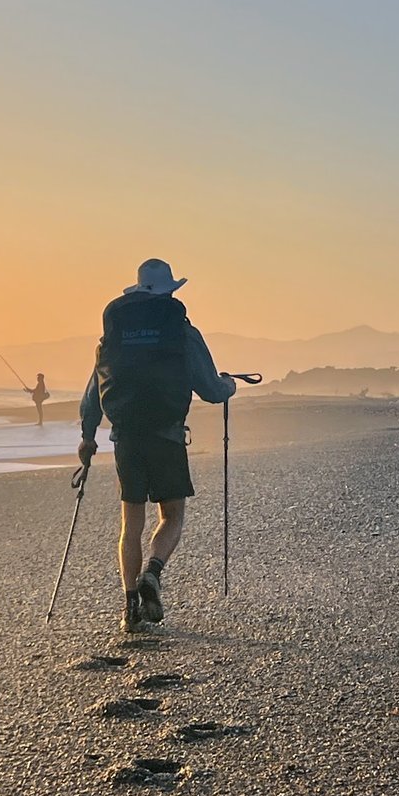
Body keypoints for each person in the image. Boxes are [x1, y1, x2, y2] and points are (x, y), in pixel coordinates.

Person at [75, 258, 240, 633]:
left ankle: (130, 606)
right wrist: (230, 386)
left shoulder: (113, 338)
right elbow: (211, 389)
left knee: (130, 523)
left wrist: (87, 438)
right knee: (172, 516)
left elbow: (93, 395)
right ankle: (154, 571)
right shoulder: (182, 332)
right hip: (167, 435)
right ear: (169, 292)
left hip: (126, 438)